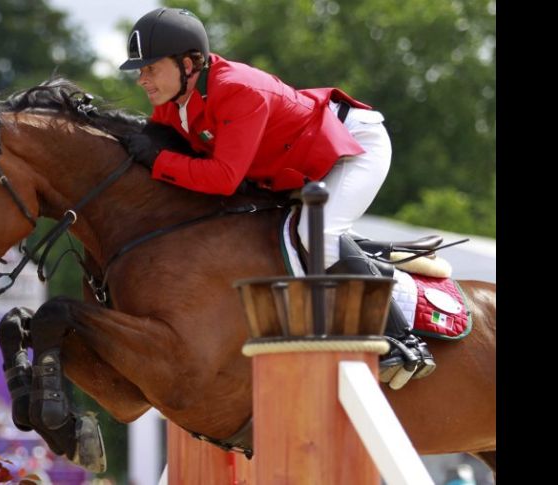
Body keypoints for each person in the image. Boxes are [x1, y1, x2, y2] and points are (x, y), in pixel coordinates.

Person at [118, 7, 435, 386]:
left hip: (352, 148)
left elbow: (222, 178)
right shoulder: (174, 104)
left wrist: (157, 159)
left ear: (189, 63)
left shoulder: (237, 89)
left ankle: (404, 341)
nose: (142, 79)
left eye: (150, 68)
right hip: (296, 168)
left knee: (318, 235)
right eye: (141, 70)